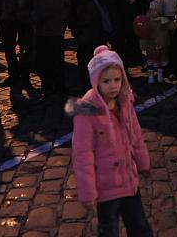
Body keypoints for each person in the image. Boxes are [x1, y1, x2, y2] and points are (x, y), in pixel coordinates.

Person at [67, 46, 152, 236]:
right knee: (108, 230)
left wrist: (143, 162)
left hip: (129, 183)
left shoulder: (125, 102)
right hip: (105, 189)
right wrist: (88, 192)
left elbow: (136, 135)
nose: (113, 85)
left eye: (117, 79)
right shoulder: (86, 110)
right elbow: (82, 153)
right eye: (106, 81)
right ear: (96, 81)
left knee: (140, 227)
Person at [69, 0, 118, 91]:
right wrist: (74, 28)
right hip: (83, 28)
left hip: (99, 28)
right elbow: (71, 9)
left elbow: (110, 5)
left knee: (99, 58)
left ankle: (99, 84)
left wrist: (111, 24)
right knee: (84, 59)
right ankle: (86, 85)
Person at [33, 0, 69, 96]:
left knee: (54, 58)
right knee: (43, 58)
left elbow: (54, 4)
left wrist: (38, 16)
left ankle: (57, 87)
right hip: (41, 26)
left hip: (53, 26)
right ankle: (46, 84)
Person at [141, 0, 170, 84]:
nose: (152, 12)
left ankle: (160, 75)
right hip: (151, 45)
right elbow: (143, 35)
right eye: (151, 10)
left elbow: (172, 26)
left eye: (155, 11)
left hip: (161, 45)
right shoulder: (147, 22)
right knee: (151, 62)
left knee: (160, 62)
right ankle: (151, 75)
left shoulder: (163, 21)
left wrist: (175, 23)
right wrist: (143, 44)